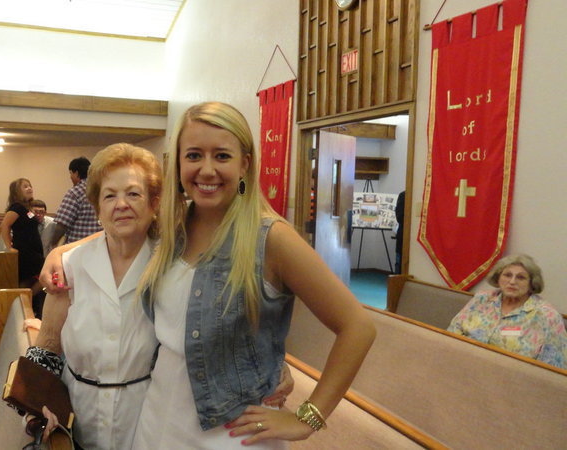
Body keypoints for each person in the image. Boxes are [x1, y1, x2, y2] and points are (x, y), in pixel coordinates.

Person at [130, 102, 375, 448]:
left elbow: (358, 327)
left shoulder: (271, 238)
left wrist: (309, 418)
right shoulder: (174, 227)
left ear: (245, 164)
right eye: (195, 155)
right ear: (179, 162)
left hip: (232, 434)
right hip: (158, 420)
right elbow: (116, 232)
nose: (207, 169)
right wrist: (60, 255)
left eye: (222, 156)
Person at [29, 144, 163, 449]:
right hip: (78, 417)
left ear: (153, 203)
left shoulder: (171, 266)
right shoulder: (70, 267)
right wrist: (36, 409)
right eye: (109, 195)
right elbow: (48, 345)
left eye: (133, 194)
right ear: (97, 207)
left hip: (146, 421)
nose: (121, 204)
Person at [447, 254, 567, 369]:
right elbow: (453, 331)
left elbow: (554, 368)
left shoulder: (547, 316)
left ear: (531, 283)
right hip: (464, 365)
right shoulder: (482, 299)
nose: (512, 282)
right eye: (507, 275)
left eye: (521, 277)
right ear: (498, 278)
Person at [47, 156, 103, 248]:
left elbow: (62, 224)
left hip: (78, 247)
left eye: (71, 173)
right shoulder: (101, 190)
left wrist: (53, 243)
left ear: (76, 173)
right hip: (100, 245)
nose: (70, 177)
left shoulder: (75, 193)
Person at [0, 179, 44, 292]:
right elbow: (5, 226)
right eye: (25, 187)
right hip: (25, 252)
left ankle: (25, 299)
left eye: (30, 186)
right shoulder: (16, 207)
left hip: (32, 252)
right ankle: (23, 300)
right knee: (41, 277)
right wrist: (9, 247)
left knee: (30, 280)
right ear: (16, 191)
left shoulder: (26, 208)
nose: (29, 188)